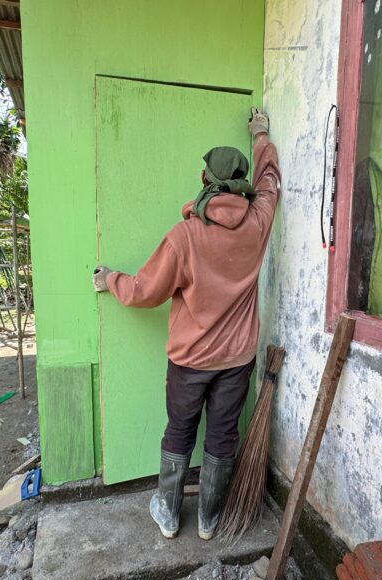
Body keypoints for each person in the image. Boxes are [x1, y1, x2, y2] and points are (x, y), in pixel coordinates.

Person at [93, 108, 280, 540]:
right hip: (237, 360)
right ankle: (210, 518)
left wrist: (111, 280)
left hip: (190, 360)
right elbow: (270, 182)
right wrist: (260, 134)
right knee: (223, 435)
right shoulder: (258, 223)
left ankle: (169, 513)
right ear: (242, 183)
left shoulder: (185, 237)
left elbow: (146, 291)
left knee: (180, 430)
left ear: (204, 181)